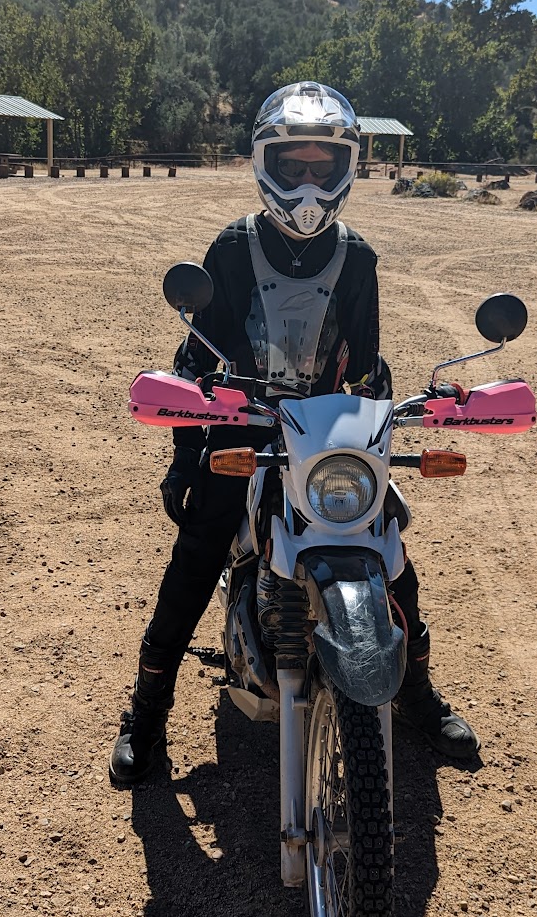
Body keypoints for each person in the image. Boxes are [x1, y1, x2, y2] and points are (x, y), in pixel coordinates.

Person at [110, 81, 478, 785]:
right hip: (240, 429)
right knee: (196, 556)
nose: (307, 183)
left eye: (322, 165)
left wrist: (380, 426)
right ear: (263, 164)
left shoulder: (359, 258)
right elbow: (197, 365)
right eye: (292, 166)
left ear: (346, 167)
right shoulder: (231, 247)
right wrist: (188, 460)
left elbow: (366, 362)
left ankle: (415, 695)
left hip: (324, 433)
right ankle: (145, 715)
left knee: (390, 554)